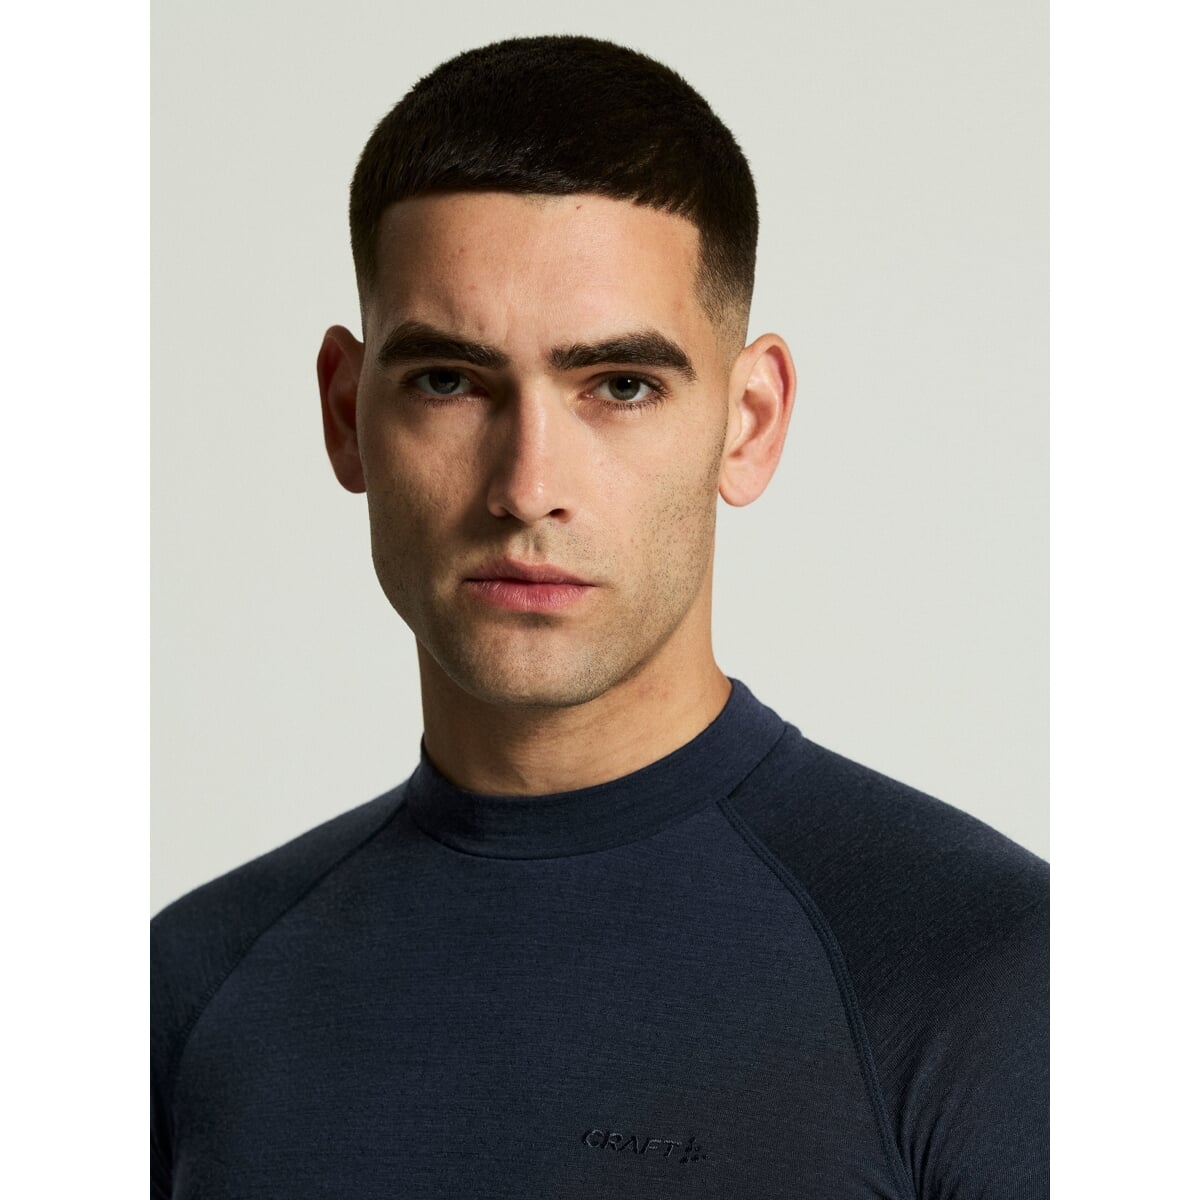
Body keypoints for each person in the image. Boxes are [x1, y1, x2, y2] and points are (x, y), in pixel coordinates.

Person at [151, 34, 1048, 1199]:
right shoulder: (185, 993)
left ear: (749, 422)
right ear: (344, 413)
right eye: (448, 382)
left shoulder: (994, 975)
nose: (528, 486)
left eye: (621, 386)